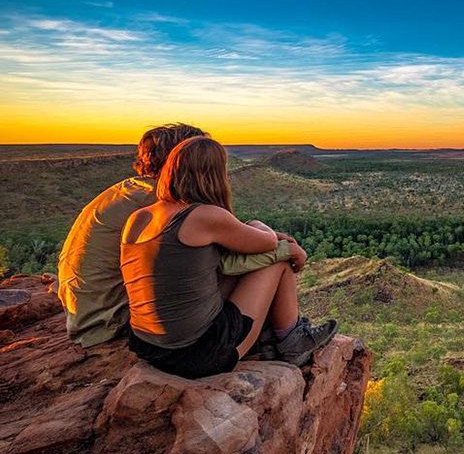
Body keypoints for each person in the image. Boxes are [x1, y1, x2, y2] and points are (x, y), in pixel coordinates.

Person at [57, 123, 296, 347]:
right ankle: (287, 337)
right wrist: (285, 251)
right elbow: (226, 263)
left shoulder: (131, 193)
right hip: (115, 321)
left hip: (88, 314)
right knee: (257, 266)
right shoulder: (167, 204)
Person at [120, 136, 337, 378]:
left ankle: (269, 338)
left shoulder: (138, 218)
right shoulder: (204, 216)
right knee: (280, 262)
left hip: (149, 347)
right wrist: (259, 225)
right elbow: (269, 243)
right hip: (198, 354)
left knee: (241, 267)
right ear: (213, 175)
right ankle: (293, 340)